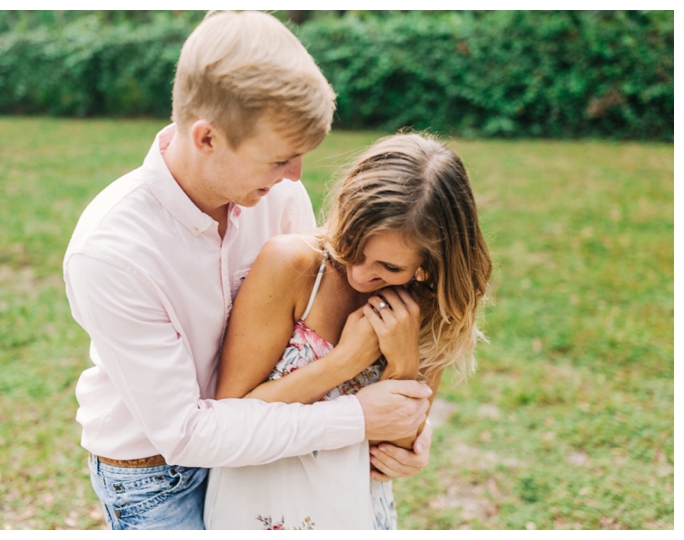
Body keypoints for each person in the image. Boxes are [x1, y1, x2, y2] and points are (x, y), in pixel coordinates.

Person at [63, 11, 434, 531]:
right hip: (160, 476)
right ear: (207, 137)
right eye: (279, 158)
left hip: (271, 447)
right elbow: (185, 432)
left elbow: (308, 343)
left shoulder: (279, 195)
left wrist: (407, 431)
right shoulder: (111, 253)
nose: (296, 176)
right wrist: (358, 418)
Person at [204, 133, 492, 529]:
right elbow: (229, 417)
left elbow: (390, 456)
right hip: (263, 506)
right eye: (353, 246)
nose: (359, 273)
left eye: (390, 268)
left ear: (430, 263)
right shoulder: (292, 265)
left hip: (356, 510)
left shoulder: (427, 307)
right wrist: (344, 362)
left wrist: (404, 360)